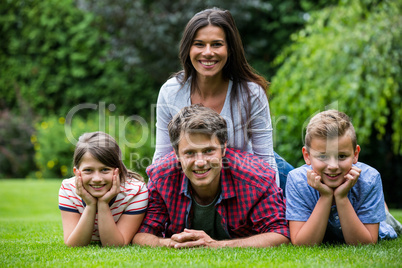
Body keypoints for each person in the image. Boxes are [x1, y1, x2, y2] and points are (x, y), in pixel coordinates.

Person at [153, 7, 293, 190]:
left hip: (249, 177)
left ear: (230, 49)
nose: (208, 52)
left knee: (307, 188)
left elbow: (266, 161)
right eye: (199, 44)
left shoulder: (251, 94)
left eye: (217, 44)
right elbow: (162, 159)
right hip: (202, 183)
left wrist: (270, 204)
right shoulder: (170, 92)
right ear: (188, 48)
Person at [132, 105, 289, 248]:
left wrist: (216, 245)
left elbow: (280, 234)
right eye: (190, 153)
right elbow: (142, 236)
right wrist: (170, 243)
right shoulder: (162, 177)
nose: (200, 162)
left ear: (223, 147)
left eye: (208, 151)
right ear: (176, 154)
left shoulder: (254, 178)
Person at [285, 110, 399, 246]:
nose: (333, 166)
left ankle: (382, 208)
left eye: (342, 156)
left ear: (355, 154)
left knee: (386, 219)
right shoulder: (297, 180)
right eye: (323, 156)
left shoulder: (370, 179)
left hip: (378, 223)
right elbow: (302, 244)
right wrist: (326, 196)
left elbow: (366, 244)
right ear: (307, 156)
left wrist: (341, 197)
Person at [58, 131, 148, 247]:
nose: (97, 179)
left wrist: (103, 203)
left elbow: (115, 245)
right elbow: (74, 244)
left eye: (105, 169)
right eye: (88, 170)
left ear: (118, 170)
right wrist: (90, 205)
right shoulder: (68, 189)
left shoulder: (135, 191)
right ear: (77, 172)